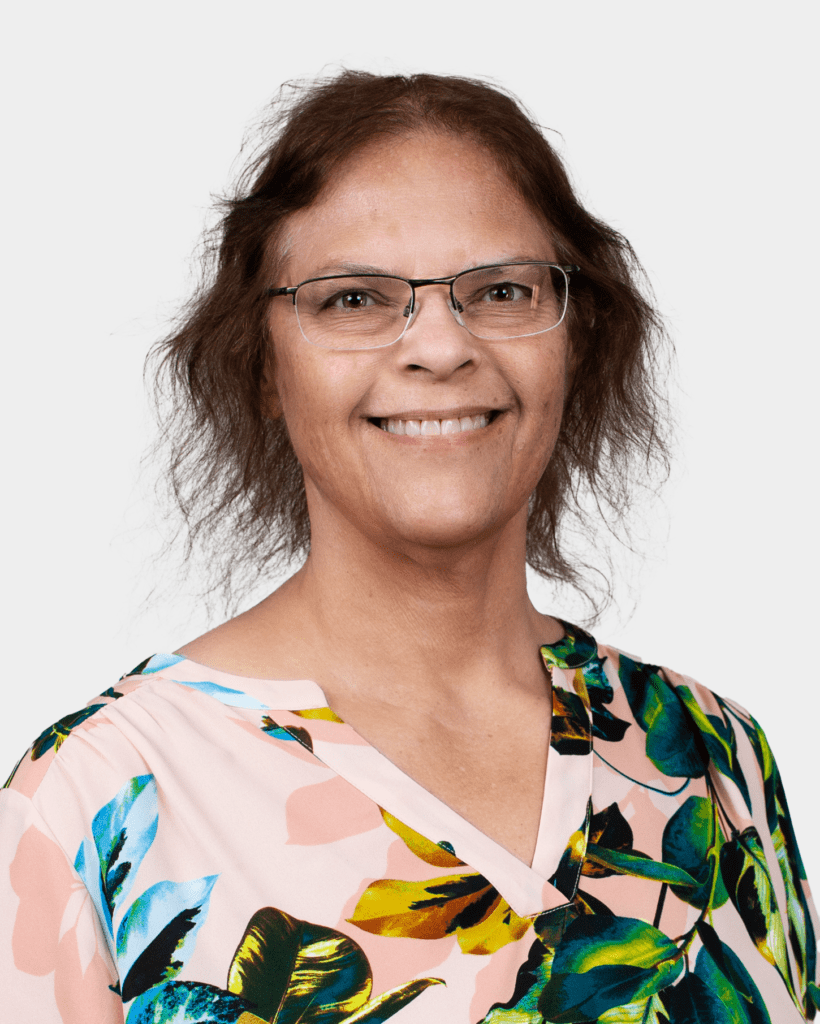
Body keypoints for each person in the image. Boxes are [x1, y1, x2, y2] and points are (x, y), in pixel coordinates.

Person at [1, 70, 815, 1024]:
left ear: (578, 338)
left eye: (501, 290)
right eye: (354, 300)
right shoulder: (96, 804)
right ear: (262, 364)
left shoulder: (712, 756)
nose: (439, 347)